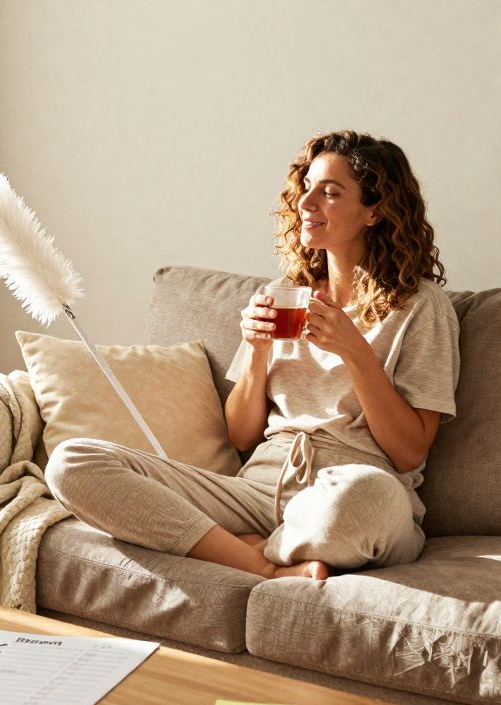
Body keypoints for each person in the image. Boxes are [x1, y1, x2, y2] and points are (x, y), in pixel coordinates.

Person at [45, 130, 459, 580]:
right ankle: (261, 563)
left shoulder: (419, 306)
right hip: (259, 491)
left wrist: (356, 353)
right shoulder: (282, 295)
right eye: (307, 188)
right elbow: (242, 436)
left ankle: (236, 546)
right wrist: (259, 353)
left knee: (365, 500)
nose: (306, 203)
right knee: (73, 462)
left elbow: (409, 453)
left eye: (330, 192)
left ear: (374, 211)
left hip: (351, 487)